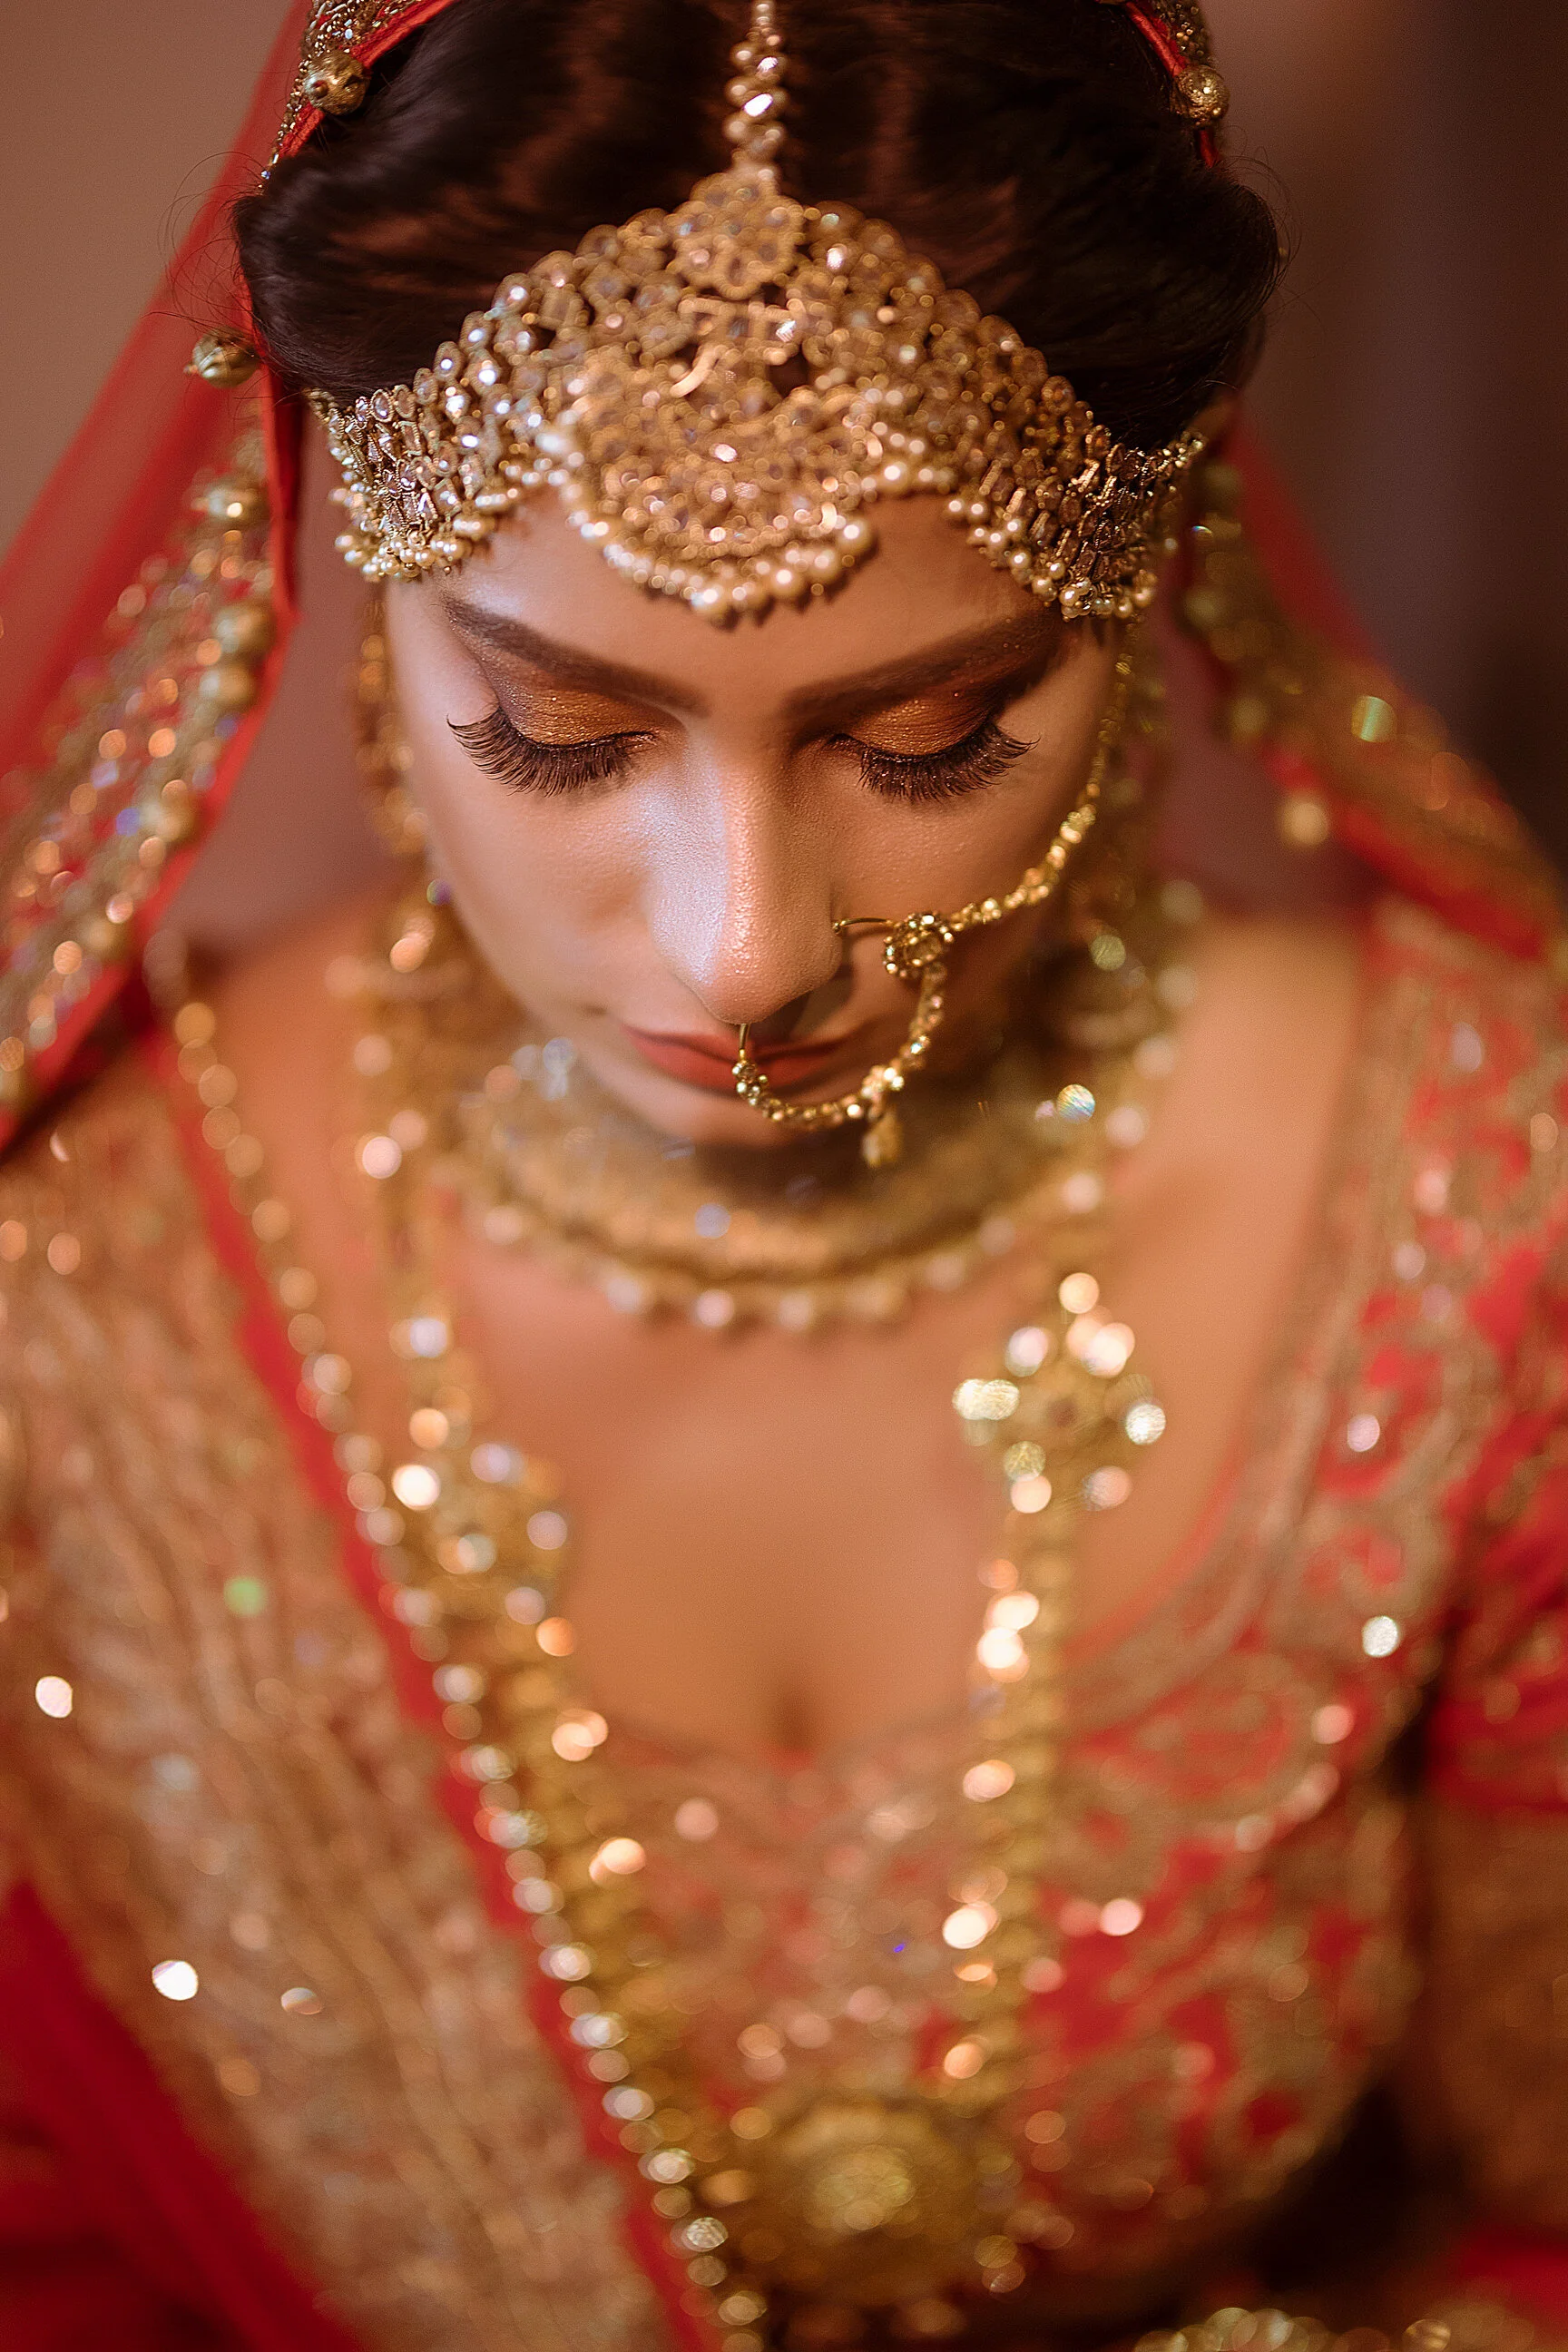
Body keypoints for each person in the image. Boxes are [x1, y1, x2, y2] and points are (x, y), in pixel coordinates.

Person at [0, 4, 1564, 2348]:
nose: (746, 949)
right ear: (353, 606)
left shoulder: (1484, 1207)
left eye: (931, 736)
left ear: (1135, 621)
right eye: (558, 730)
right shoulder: (85, 1276)